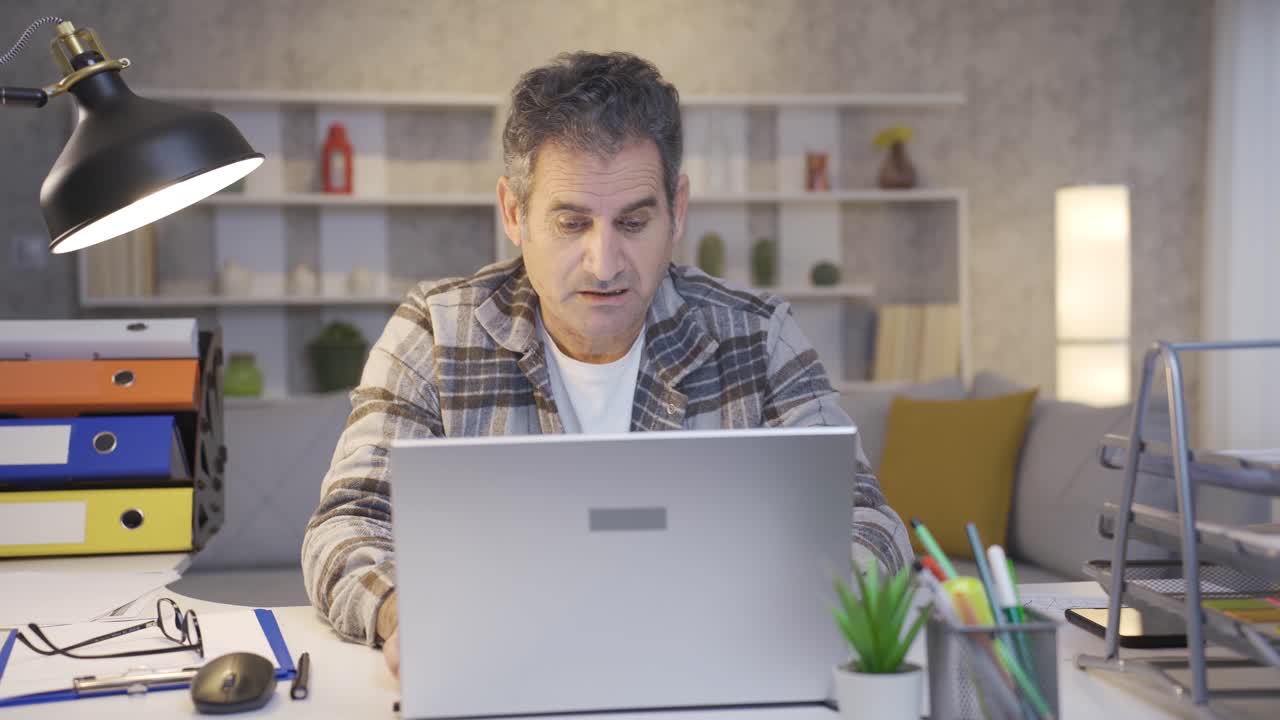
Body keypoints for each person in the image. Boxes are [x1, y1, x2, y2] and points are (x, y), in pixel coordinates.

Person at [301, 51, 911, 678]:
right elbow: (347, 524)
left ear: (677, 210)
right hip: (506, 674)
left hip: (712, 674)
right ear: (514, 213)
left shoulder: (758, 336)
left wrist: (796, 609)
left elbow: (870, 522)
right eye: (572, 223)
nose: (605, 262)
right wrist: (407, 613)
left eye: (634, 221)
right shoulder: (435, 331)